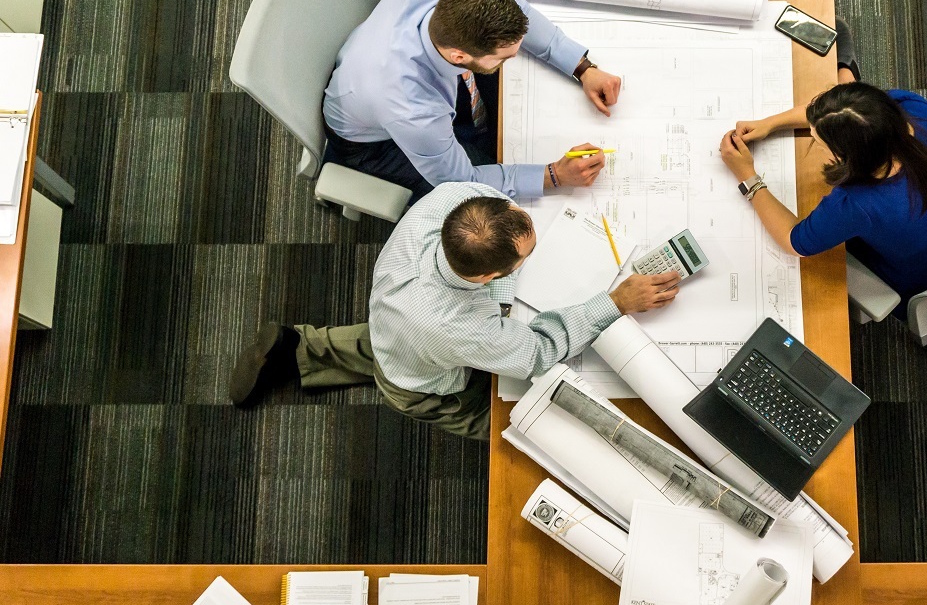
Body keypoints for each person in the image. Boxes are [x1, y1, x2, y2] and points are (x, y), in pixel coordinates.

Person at [229, 182, 681, 440]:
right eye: (524, 258)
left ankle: (299, 347)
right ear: (486, 276)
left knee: (391, 341)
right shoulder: (458, 327)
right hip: (423, 383)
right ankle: (516, 433)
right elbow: (538, 353)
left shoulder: (452, 200)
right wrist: (614, 302)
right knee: (514, 422)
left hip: (396, 318)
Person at [717, 20, 927, 317]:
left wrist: (747, 177)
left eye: (819, 142)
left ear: (848, 157)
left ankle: (846, 67)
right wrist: (770, 124)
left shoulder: (856, 205)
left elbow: (796, 242)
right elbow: (840, 113)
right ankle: (847, 69)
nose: (815, 142)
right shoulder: (910, 107)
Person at [323, 0, 625, 202]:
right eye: (504, 57)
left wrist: (581, 67)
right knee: (485, 208)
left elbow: (521, 12)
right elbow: (461, 181)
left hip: (376, 70)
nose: (515, 57)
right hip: (373, 143)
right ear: (459, 56)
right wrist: (554, 176)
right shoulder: (412, 108)